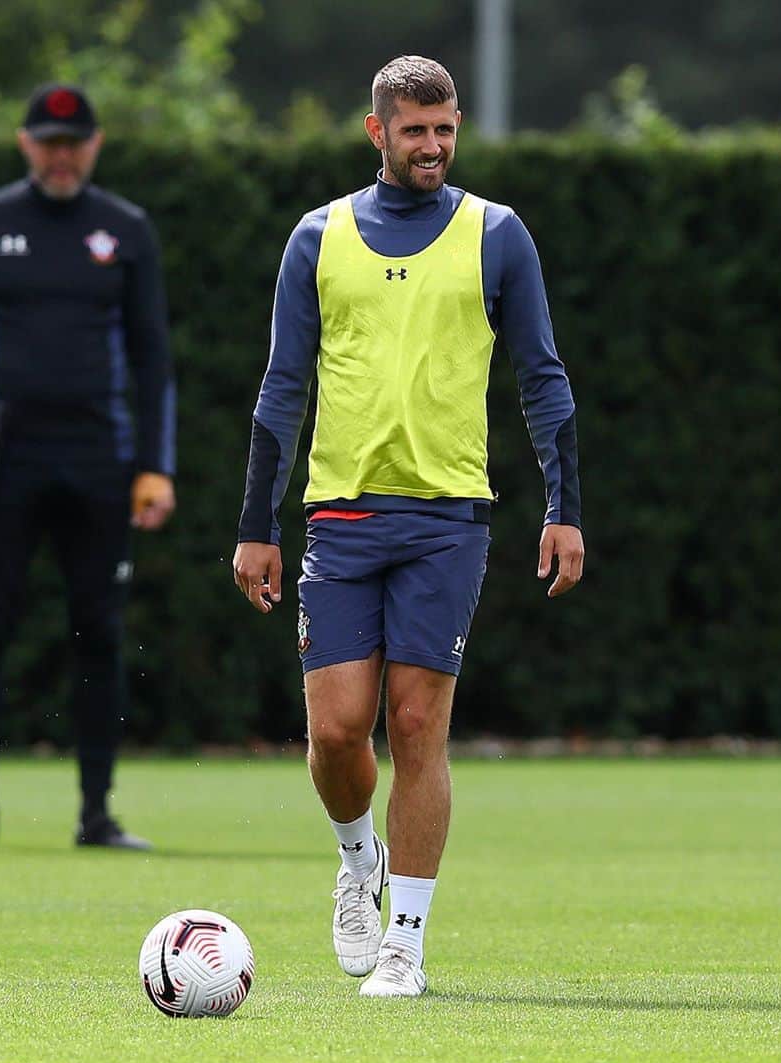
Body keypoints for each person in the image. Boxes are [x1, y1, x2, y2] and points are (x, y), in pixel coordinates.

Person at [232, 56, 583, 996]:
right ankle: (359, 862)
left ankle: (406, 945)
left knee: (418, 724)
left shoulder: (496, 234)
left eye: (445, 129)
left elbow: (542, 377)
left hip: (448, 519)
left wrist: (565, 509)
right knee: (337, 733)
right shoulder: (318, 237)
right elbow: (283, 386)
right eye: (415, 130)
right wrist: (257, 523)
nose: (433, 146)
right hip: (341, 516)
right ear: (376, 131)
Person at [0, 83, 177, 854]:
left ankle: (97, 815)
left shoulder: (126, 230)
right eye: (48, 143)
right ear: (25, 144)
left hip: (100, 455)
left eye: (74, 143)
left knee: (100, 633)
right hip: (1, 457)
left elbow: (153, 359)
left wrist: (156, 466)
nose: (62, 156)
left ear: (94, 146)